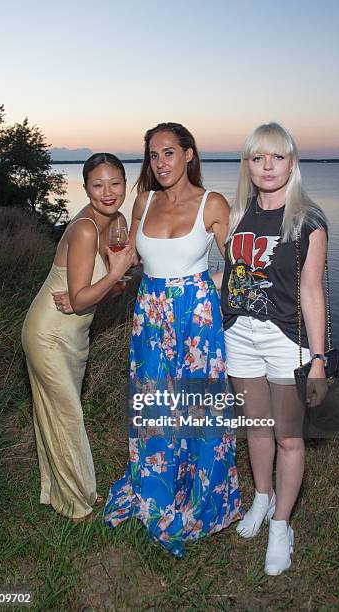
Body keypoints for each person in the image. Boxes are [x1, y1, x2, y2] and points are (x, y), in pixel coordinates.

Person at [104, 122, 242, 557]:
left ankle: (202, 497)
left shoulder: (212, 204)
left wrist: (204, 285)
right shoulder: (142, 202)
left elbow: (240, 268)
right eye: (153, 155)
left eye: (168, 153)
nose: (160, 163)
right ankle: (158, 490)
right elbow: (128, 261)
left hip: (196, 320)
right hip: (149, 317)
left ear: (188, 155)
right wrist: (108, 274)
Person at [220, 122, 328, 574]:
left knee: (288, 436)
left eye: (277, 157)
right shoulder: (235, 214)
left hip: (287, 340)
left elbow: (311, 292)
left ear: (291, 163)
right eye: (258, 157)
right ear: (248, 163)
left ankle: (282, 524)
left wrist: (318, 360)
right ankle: (262, 498)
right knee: (257, 427)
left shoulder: (308, 220)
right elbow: (225, 276)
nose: (267, 166)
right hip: (239, 335)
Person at [22, 153, 134, 520]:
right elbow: (83, 295)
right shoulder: (86, 228)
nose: (108, 192)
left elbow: (99, 291)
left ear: (125, 184)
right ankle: (77, 503)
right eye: (97, 185)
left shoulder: (117, 222)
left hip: (76, 333)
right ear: (85, 188)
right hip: (50, 332)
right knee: (67, 413)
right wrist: (113, 272)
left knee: (57, 413)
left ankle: (59, 490)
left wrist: (114, 280)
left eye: (115, 183)